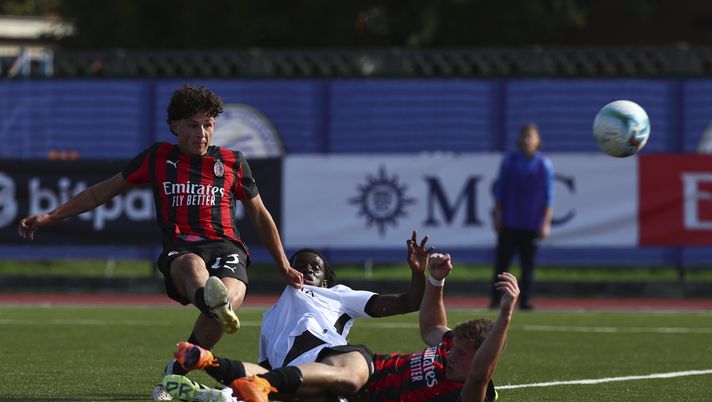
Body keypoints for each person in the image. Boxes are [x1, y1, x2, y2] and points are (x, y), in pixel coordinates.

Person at [16, 84, 304, 400]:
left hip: (226, 246)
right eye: (193, 125)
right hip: (183, 249)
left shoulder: (233, 161)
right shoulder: (158, 158)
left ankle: (178, 370)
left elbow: (260, 214)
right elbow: (101, 191)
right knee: (196, 270)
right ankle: (211, 305)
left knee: (230, 299)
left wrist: (283, 265)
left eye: (208, 125)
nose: (202, 133)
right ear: (175, 126)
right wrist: (53, 216)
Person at [162, 252, 520, 402]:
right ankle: (222, 375)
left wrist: (504, 318)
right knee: (289, 376)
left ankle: (212, 374)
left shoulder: (472, 391)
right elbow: (433, 325)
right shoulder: (272, 315)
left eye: (461, 355)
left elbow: (478, 374)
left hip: (353, 388)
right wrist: (436, 281)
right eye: (453, 347)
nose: (451, 354)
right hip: (359, 367)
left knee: (287, 385)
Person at [491, 123, 553, 310]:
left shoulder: (544, 165)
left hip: (531, 223)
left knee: (528, 265)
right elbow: (499, 191)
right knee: (502, 264)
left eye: (531, 136)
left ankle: (526, 300)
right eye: (525, 136)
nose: (527, 140)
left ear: (538, 141)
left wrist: (545, 223)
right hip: (510, 221)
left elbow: (549, 196)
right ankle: (495, 300)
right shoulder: (509, 162)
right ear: (520, 140)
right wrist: (497, 215)